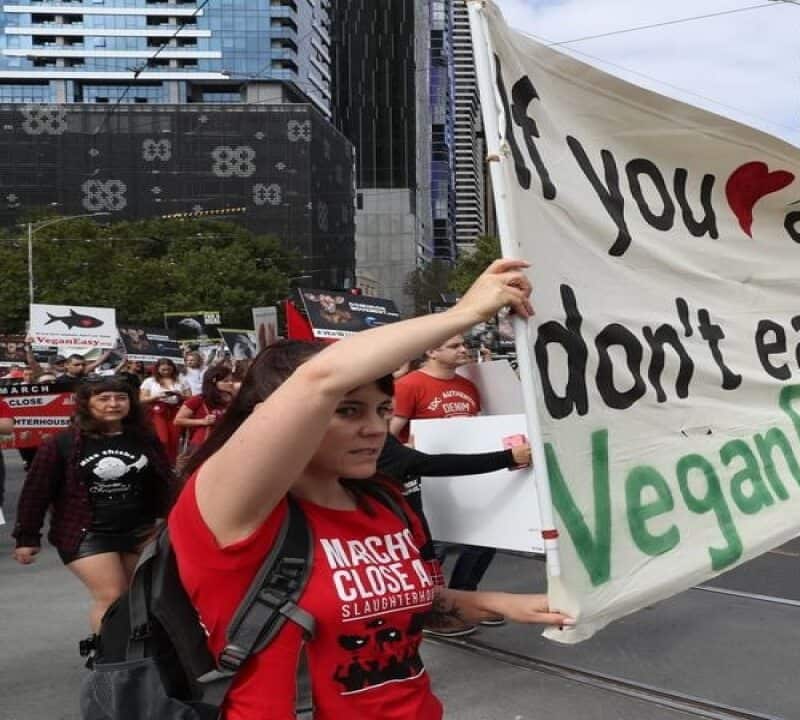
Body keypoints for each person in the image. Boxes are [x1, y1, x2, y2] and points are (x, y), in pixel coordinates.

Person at [167, 259, 568, 719]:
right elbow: (320, 379)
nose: (375, 428)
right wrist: (466, 313)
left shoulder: (385, 500)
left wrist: (508, 603)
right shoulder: (229, 507)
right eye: (349, 411)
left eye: (381, 410)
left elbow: (406, 604)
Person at [11, 377, 175, 637]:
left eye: (120, 398)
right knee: (112, 595)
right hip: (86, 532)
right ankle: (105, 658)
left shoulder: (144, 439)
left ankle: (134, 657)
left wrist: (175, 518)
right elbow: (36, 492)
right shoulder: (62, 443)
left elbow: (165, 481)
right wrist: (26, 537)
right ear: (86, 404)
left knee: (138, 595)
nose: (114, 404)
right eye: (104, 398)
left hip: (138, 529)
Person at [389, 333, 503, 634]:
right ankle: (433, 609)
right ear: (431, 350)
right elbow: (389, 435)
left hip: (466, 471)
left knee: (488, 535)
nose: (463, 350)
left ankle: (462, 599)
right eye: (454, 346)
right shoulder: (409, 385)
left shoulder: (468, 386)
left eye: (464, 344)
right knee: (434, 543)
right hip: (426, 477)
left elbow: (477, 427)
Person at [376, 431, 533, 637]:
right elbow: (435, 464)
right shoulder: (374, 443)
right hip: (394, 531)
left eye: (383, 408)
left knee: (427, 574)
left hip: (412, 524)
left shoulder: (383, 439)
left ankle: (440, 612)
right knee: (414, 582)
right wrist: (508, 457)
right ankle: (429, 617)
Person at [173, 365, 238, 456]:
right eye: (225, 381)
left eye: (232, 380)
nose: (231, 383)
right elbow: (178, 420)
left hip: (228, 442)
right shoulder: (199, 399)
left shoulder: (234, 399)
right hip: (203, 443)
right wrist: (203, 421)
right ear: (213, 382)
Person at [140, 358, 191, 462]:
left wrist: (180, 395)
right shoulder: (149, 381)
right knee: (163, 439)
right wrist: (157, 396)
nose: (166, 371)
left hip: (176, 410)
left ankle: (171, 464)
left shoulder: (181, 380)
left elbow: (190, 398)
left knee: (175, 439)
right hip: (159, 411)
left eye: (168, 369)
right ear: (158, 369)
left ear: (173, 368)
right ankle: (160, 462)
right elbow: (142, 399)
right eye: (163, 369)